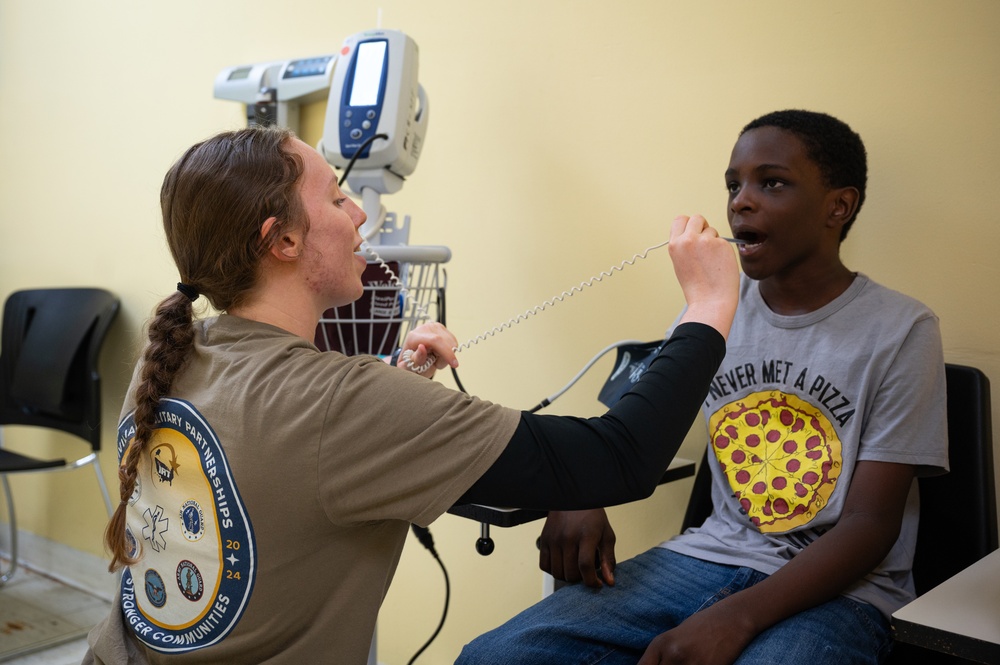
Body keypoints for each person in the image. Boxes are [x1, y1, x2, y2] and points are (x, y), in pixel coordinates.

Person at [83, 124, 740, 665]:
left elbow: (293, 444)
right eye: (337, 198)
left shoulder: (168, 354)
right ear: (282, 240)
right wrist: (709, 305)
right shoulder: (344, 403)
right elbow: (619, 456)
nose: (359, 210)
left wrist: (401, 378)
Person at [456, 110, 948, 665]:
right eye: (733, 185)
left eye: (772, 182)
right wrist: (583, 491)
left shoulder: (902, 329)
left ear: (839, 205)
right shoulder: (715, 308)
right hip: (706, 558)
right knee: (497, 655)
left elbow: (869, 526)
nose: (740, 200)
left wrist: (733, 617)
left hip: (843, 590)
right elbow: (622, 435)